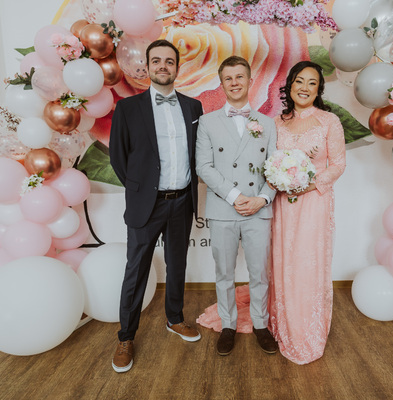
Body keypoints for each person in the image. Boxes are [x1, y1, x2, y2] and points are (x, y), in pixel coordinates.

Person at [109, 39, 204, 373]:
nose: (163, 66)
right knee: (136, 270)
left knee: (177, 264)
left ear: (177, 67)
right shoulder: (128, 108)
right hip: (146, 204)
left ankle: (174, 319)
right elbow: (119, 158)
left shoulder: (194, 107)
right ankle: (126, 336)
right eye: (157, 61)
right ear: (147, 67)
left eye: (169, 61)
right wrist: (142, 189)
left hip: (182, 200)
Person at [195, 56, 279, 356]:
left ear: (250, 81)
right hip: (222, 209)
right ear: (221, 83)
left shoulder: (267, 123)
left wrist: (262, 198)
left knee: (259, 273)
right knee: (224, 273)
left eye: (240, 76)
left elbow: (276, 167)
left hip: (258, 209)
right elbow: (204, 167)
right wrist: (233, 196)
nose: (234, 83)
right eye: (228, 78)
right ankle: (228, 325)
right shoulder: (207, 122)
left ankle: (260, 324)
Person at [268, 61, 346, 364]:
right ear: (290, 85)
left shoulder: (329, 121)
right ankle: (283, 323)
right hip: (283, 203)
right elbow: (270, 163)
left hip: (314, 202)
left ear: (318, 90)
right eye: (299, 81)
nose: (304, 87)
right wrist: (281, 181)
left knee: (307, 264)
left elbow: (338, 164)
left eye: (312, 83)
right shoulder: (277, 122)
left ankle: (306, 331)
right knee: (284, 261)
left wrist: (308, 184)